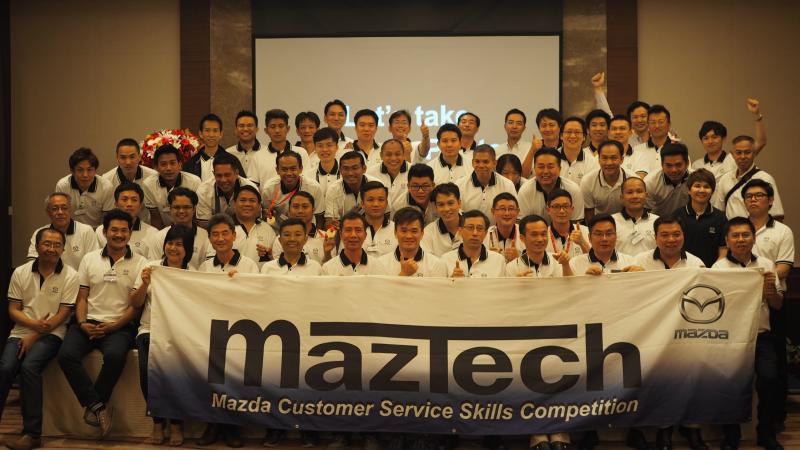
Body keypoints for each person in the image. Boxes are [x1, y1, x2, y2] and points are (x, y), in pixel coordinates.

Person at [57, 209, 148, 436]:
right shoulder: (89, 259)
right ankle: (98, 406)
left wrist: (114, 326)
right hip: (87, 322)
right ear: (105, 232)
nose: (119, 235)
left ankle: (93, 405)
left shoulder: (141, 262)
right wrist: (82, 322)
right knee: (66, 355)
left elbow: (136, 306)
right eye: (114, 230)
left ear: (130, 233)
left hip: (120, 326)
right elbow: (82, 296)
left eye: (124, 230)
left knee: (115, 356)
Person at [712, 217, 785, 450]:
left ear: (753, 238)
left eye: (745, 235)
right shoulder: (718, 269)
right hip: (730, 337)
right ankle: (730, 435)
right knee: (729, 384)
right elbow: (716, 308)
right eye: (735, 236)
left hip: (761, 335)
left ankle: (766, 432)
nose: (741, 240)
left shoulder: (766, 264)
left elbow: (777, 305)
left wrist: (771, 291)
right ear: (727, 240)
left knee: (770, 380)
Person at [1, 228, 77, 450]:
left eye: (57, 245)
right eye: (47, 244)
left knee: (29, 367)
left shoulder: (71, 275)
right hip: (21, 331)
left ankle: (32, 434)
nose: (51, 248)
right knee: (5, 368)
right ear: (37, 246)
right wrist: (33, 327)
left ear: (63, 249)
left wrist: (36, 334)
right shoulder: (21, 272)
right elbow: (13, 310)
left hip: (53, 333)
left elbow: (63, 314)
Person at [128, 224, 194, 446]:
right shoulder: (151, 267)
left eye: (179, 244)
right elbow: (135, 302)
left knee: (176, 377)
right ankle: (157, 422)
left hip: (179, 334)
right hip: (149, 330)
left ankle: (175, 423)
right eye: (170, 243)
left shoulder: (193, 274)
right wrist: (144, 284)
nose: (173, 248)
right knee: (147, 375)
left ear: (187, 249)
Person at [692, 99, 767, 180]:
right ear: (701, 141)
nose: (710, 141)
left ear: (724, 139)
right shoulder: (696, 165)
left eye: (714, 137)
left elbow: (761, 142)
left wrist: (757, 116)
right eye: (706, 138)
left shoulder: (735, 158)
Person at [712, 135, 784, 220]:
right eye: (738, 152)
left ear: (754, 153)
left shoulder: (765, 178)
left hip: (756, 228)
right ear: (732, 154)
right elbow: (718, 212)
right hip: (731, 228)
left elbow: (777, 215)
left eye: (747, 152)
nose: (742, 157)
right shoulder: (725, 179)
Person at [146, 187, 215, 269]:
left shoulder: (206, 237)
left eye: (186, 207)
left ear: (194, 209)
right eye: (177, 207)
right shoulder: (159, 237)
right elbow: (154, 268)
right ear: (170, 209)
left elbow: (208, 269)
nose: (181, 211)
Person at [27, 193, 99, 270]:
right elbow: (32, 262)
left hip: (79, 277)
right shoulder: (40, 233)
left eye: (64, 208)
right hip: (48, 276)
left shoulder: (86, 231)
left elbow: (93, 262)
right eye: (55, 209)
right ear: (48, 212)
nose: (60, 212)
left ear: (70, 210)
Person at [672, 169, 727, 268]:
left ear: (712, 191)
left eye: (706, 187)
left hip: (711, 272)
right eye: (697, 186)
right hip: (682, 271)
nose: (701, 190)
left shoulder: (720, 218)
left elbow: (723, 250)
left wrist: (715, 269)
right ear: (689, 190)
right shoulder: (677, 215)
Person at [142, 144, 202, 229]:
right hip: (164, 230)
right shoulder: (148, 184)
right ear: (156, 167)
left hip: (190, 228)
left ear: (180, 165)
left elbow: (196, 216)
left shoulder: (194, 182)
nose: (168, 168)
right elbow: (155, 218)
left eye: (172, 163)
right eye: (163, 164)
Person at [260, 150, 324, 227]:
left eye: (293, 169)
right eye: (284, 169)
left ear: (301, 169)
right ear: (277, 170)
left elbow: (319, 218)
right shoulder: (269, 189)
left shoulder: (314, 188)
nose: (289, 173)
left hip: (307, 230)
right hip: (278, 230)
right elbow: (266, 214)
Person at [54, 147, 115, 228]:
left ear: (95, 171)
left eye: (89, 170)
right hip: (70, 229)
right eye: (80, 170)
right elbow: (60, 214)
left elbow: (107, 219)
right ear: (72, 171)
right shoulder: (63, 186)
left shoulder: (106, 187)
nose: (85, 175)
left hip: (96, 230)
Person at [518, 148, 585, 221]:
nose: (545, 171)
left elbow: (576, 223)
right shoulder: (525, 190)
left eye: (550, 167)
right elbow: (523, 223)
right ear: (534, 168)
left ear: (560, 169)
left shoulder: (573, 190)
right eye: (541, 167)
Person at [455, 144, 516, 223]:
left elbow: (514, 213)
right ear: (472, 163)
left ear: (494, 163)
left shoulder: (507, 185)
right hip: (469, 230)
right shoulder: (459, 185)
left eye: (486, 162)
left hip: (498, 230)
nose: (481, 165)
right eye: (477, 161)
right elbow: (457, 214)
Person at [100, 138, 156, 223]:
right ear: (117, 158)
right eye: (123, 157)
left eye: (132, 157)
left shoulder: (152, 176)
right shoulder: (106, 180)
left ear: (139, 157)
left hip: (146, 226)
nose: (128, 162)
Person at [379, 207, 447, 277]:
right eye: (404, 231)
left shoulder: (436, 264)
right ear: (395, 233)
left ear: (422, 234)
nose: (409, 236)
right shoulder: (381, 263)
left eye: (414, 231)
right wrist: (404, 274)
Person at [271, 192, 336, 265]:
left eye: (305, 206)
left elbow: (330, 269)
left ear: (313, 210)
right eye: (296, 207)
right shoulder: (281, 239)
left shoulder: (326, 238)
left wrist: (327, 254)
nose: (300, 211)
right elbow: (279, 268)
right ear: (289, 211)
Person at [196, 152, 258, 228]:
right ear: (213, 174)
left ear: (237, 173)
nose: (223, 180)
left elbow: (254, 220)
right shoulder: (204, 191)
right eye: (219, 175)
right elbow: (204, 225)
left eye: (227, 175)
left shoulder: (250, 188)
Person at [95, 184, 157, 257]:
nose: (129, 204)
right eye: (124, 200)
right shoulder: (101, 231)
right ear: (116, 204)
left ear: (140, 205)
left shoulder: (153, 233)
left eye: (134, 200)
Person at [441, 210, 506, 278]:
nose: (475, 233)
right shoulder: (446, 260)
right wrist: (451, 281)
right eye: (470, 228)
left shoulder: (498, 260)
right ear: (460, 231)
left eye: (479, 228)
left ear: (485, 233)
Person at [568, 214, 640, 275]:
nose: (604, 239)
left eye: (609, 233)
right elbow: (570, 287)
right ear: (589, 238)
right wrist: (586, 279)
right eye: (599, 234)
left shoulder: (630, 262)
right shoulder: (575, 263)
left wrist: (640, 274)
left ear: (616, 236)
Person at [581, 140, 635, 220]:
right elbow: (589, 213)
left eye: (614, 158)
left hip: (628, 220)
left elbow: (636, 210)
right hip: (599, 222)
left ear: (622, 159)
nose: (609, 163)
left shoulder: (633, 179)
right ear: (599, 159)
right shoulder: (587, 181)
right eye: (604, 158)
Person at [506, 214, 573, 278]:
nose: (540, 239)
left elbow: (570, 285)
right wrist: (517, 284)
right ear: (522, 238)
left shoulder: (558, 261)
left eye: (543, 234)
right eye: (534, 235)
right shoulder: (512, 267)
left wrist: (566, 265)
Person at [324, 151, 380, 228]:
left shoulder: (377, 186)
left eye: (355, 168)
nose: (350, 173)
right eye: (346, 168)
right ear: (340, 170)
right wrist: (333, 225)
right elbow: (329, 223)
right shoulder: (333, 190)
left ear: (364, 169)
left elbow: (384, 215)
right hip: (345, 231)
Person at [321, 211, 387, 276]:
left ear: (365, 235)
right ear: (340, 235)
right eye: (348, 230)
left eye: (358, 230)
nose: (353, 235)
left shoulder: (378, 267)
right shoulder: (328, 269)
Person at [185, 113, 244, 181]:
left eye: (215, 130)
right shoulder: (192, 163)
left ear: (221, 134)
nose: (211, 135)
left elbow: (242, 183)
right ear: (200, 134)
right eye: (207, 130)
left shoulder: (232, 160)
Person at [225, 110, 274, 185]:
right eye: (241, 126)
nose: (245, 129)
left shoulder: (267, 152)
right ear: (236, 130)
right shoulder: (228, 153)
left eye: (250, 125)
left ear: (257, 129)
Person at [231, 185, 277, 266]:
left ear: (259, 206)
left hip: (260, 274)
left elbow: (276, 262)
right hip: (229, 274)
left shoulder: (268, 230)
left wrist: (271, 255)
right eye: (243, 200)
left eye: (252, 200)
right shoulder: (223, 228)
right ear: (234, 204)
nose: (247, 204)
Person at [612, 177, 658, 256]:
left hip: (650, 264)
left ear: (646, 196)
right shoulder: (611, 222)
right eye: (629, 192)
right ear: (621, 198)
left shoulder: (657, 221)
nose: (635, 196)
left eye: (639, 191)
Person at [644, 142, 691, 216]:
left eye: (678, 165)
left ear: (687, 163)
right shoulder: (650, 182)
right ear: (662, 165)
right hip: (658, 221)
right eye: (668, 166)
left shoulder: (695, 179)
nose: (673, 170)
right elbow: (647, 212)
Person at [629, 105, 676, 177]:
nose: (657, 126)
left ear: (669, 125)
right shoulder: (636, 150)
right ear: (648, 125)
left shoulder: (677, 149)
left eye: (661, 122)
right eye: (653, 122)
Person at [545, 189, 590, 259]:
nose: (562, 211)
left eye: (565, 206)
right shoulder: (543, 235)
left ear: (572, 209)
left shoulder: (586, 231)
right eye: (556, 206)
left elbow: (596, 261)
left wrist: (582, 243)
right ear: (548, 210)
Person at [263, 109, 312, 173]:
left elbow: (307, 178)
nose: (277, 130)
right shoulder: (257, 157)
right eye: (273, 127)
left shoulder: (301, 153)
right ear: (266, 130)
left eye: (281, 126)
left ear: (288, 129)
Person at [421, 183, 462, 257]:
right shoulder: (428, 232)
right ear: (435, 207)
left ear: (459, 203)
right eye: (441, 205)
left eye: (450, 203)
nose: (446, 209)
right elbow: (427, 260)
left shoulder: (473, 225)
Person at [367, 139, 410, 208]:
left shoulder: (413, 172)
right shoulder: (370, 174)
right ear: (381, 155)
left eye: (397, 154)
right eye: (388, 154)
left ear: (404, 155)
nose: (393, 158)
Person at [520, 108, 561, 178]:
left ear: (559, 127)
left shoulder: (566, 147)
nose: (547, 129)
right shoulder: (533, 148)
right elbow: (523, 176)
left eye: (551, 125)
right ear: (539, 128)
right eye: (544, 125)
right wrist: (532, 150)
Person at [485, 193, 525, 263]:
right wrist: (488, 259)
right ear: (493, 212)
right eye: (502, 209)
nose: (507, 213)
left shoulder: (526, 234)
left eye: (511, 209)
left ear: (517, 212)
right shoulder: (484, 236)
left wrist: (519, 259)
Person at [360, 181, 397, 258]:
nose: (376, 204)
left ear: (386, 203)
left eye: (381, 200)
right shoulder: (353, 229)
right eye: (370, 200)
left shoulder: (397, 229)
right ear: (362, 204)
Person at [559, 117, 599, 185]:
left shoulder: (593, 162)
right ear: (561, 136)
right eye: (569, 132)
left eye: (577, 132)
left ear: (584, 137)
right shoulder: (552, 157)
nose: (572, 136)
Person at [309, 127, 341, 196]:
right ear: (315, 148)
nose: (325, 149)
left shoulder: (345, 175)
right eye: (320, 146)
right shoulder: (308, 177)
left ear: (337, 147)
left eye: (329, 145)